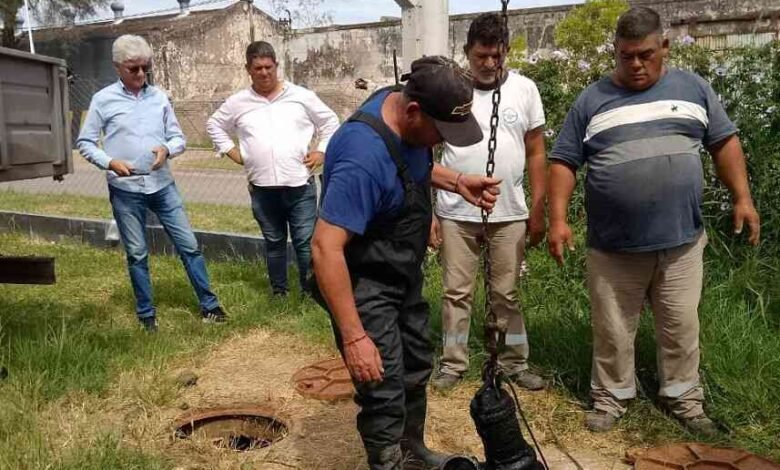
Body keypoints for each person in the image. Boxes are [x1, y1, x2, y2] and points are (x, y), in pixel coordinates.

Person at [547, 7, 760, 435]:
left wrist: (743, 198)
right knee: (612, 329)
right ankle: (610, 398)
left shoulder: (693, 88)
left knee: (681, 325)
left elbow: (724, 143)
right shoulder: (591, 100)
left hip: (681, 242)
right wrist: (558, 219)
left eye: (645, 54)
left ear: (664, 46)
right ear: (615, 51)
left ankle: (684, 400)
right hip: (613, 247)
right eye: (626, 56)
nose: (636, 64)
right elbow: (564, 161)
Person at [311, 56, 500, 469]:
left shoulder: (400, 105)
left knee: (415, 361)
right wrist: (355, 338)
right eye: (440, 132)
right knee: (382, 383)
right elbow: (325, 248)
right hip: (364, 281)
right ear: (413, 111)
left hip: (401, 271)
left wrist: (457, 181)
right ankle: (388, 463)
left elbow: (411, 166)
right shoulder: (362, 157)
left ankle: (411, 451)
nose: (442, 142)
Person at [429, 13, 547, 392]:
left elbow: (536, 152)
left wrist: (538, 208)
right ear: (467, 51)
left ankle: (515, 362)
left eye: (497, 55)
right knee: (456, 293)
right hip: (455, 212)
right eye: (481, 56)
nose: (489, 63)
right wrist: (431, 212)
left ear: (506, 51)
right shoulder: (450, 92)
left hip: (509, 212)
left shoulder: (525, 90)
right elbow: (426, 151)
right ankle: (453, 362)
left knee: (506, 295)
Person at [77, 35, 227, 332]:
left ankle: (210, 306)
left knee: (189, 246)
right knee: (137, 254)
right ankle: (147, 316)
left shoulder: (158, 97)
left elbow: (178, 137)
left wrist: (167, 149)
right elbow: (85, 142)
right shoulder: (103, 100)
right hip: (125, 191)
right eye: (133, 68)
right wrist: (110, 162)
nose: (141, 74)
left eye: (146, 68)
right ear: (118, 67)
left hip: (162, 186)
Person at [207, 41, 339, 297]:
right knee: (274, 242)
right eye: (258, 68)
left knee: (304, 243)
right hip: (262, 188)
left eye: (269, 67)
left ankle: (311, 293)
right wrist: (232, 151)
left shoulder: (300, 96)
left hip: (299, 185)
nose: (264, 73)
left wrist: (322, 150)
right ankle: (280, 292)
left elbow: (330, 121)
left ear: (276, 66)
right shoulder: (238, 102)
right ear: (248, 69)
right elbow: (215, 124)